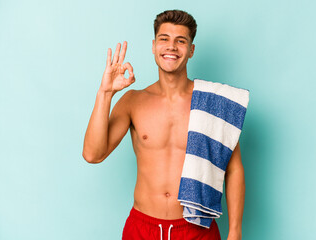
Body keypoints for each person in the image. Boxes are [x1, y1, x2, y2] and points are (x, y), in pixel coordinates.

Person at [82, 10, 245, 240]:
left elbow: (234, 168)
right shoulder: (133, 101)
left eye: (181, 41)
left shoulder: (212, 102)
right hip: (142, 227)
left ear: (191, 50)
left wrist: (235, 231)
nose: (171, 47)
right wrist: (105, 93)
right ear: (153, 46)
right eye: (164, 39)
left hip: (196, 229)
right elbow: (92, 154)